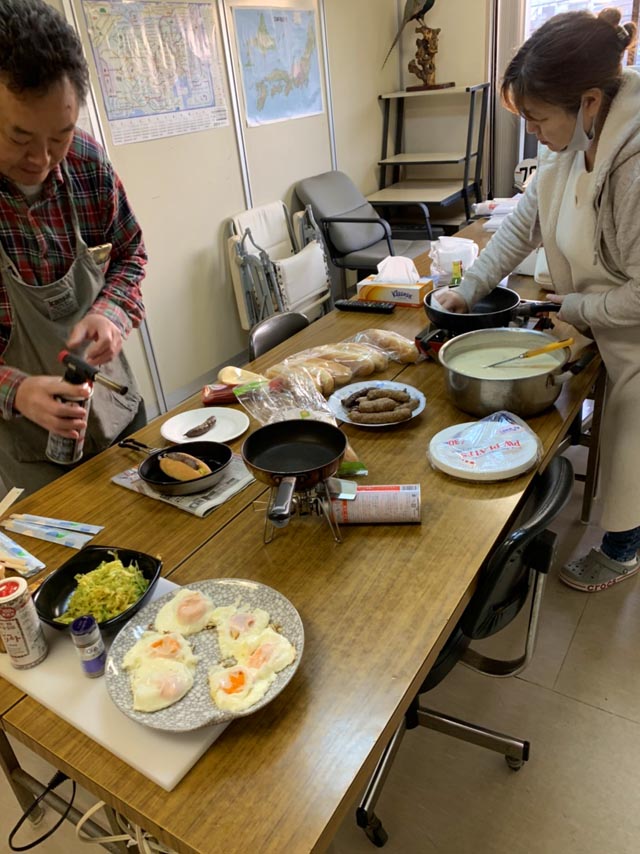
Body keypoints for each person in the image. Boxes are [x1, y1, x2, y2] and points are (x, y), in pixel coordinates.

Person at [437, 7, 640, 593]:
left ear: (590, 102)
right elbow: (521, 226)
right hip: (605, 315)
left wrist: (578, 309)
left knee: (633, 431)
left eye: (538, 117)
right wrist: (467, 290)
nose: (533, 131)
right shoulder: (568, 146)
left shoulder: (633, 168)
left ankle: (625, 547)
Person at [0, 0, 147, 496]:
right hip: (30, 454)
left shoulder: (85, 162)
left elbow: (130, 254)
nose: (42, 159)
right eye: (20, 137)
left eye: (59, 136)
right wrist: (18, 390)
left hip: (118, 415)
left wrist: (110, 313)